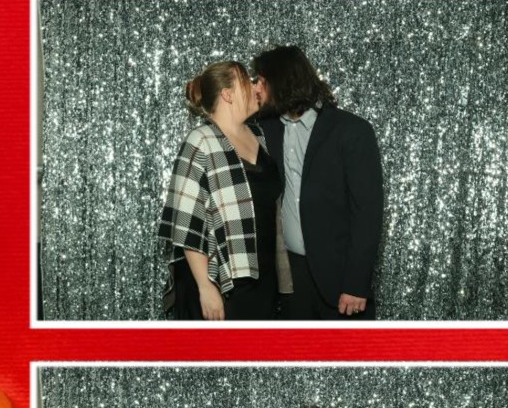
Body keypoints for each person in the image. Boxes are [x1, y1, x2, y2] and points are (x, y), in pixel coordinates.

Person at [252, 45, 382, 320]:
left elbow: (367, 213)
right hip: (290, 280)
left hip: (341, 279)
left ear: (281, 81)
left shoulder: (352, 131)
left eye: (261, 81)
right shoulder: (266, 129)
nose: (255, 88)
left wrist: (356, 283)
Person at [161, 60, 287, 321]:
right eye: (247, 82)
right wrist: (206, 288)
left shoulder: (259, 135)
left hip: (262, 278)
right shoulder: (201, 141)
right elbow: (186, 224)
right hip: (221, 282)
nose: (256, 87)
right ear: (228, 94)